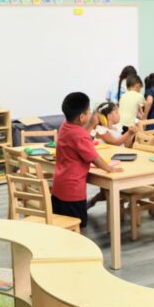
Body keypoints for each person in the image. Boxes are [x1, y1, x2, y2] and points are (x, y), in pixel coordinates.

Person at [52, 92, 123, 227]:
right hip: (73, 192)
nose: (91, 112)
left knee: (62, 227)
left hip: (59, 187)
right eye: (89, 110)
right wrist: (110, 169)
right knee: (78, 227)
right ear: (82, 117)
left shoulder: (64, 127)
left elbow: (79, 138)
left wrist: (90, 124)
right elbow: (94, 158)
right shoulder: (79, 135)